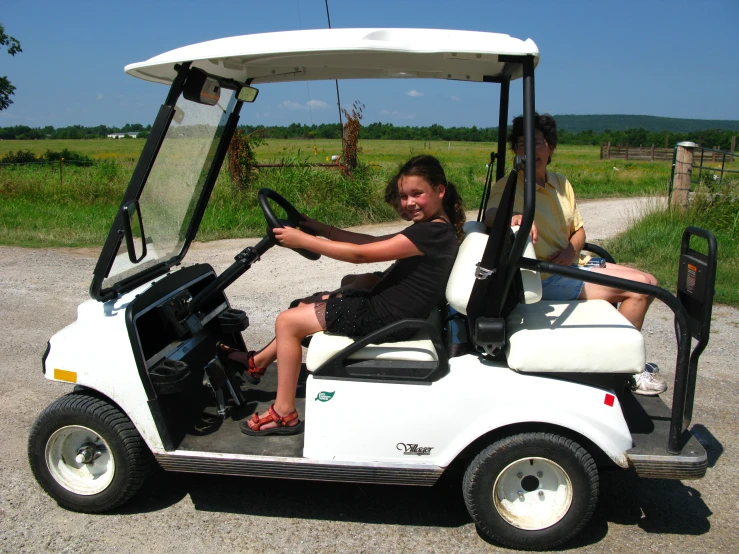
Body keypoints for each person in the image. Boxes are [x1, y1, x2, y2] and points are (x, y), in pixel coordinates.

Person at [231, 155, 464, 435]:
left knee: (287, 322)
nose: (409, 203)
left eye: (417, 194)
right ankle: (257, 364)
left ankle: (283, 413)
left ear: (440, 190)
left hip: (385, 319)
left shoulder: (433, 233)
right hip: (391, 307)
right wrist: (322, 229)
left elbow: (360, 254)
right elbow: (376, 242)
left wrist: (304, 240)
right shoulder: (434, 227)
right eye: (404, 196)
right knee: (315, 300)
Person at [484, 113, 666, 396]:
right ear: (515, 152)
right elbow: (492, 215)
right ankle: (626, 371)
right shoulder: (511, 187)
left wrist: (571, 250)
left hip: (571, 264)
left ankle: (616, 358)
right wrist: (517, 217)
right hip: (545, 275)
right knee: (640, 290)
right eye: (521, 144)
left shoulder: (561, 184)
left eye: (537, 143)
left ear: (551, 147)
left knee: (650, 281)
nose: (530, 151)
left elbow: (578, 231)